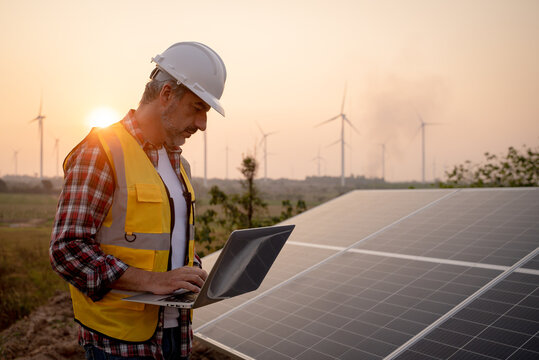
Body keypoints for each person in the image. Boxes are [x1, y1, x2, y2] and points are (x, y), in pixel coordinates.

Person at [49, 42, 227, 360]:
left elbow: (161, 241)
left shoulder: (177, 164)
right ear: (167, 94)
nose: (202, 124)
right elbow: (67, 250)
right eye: (197, 107)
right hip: (120, 345)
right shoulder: (100, 152)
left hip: (175, 336)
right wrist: (152, 281)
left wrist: (194, 271)